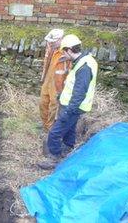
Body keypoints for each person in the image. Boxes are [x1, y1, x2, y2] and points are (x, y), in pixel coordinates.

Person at [38, 34, 98, 170]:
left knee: (54, 133)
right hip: (73, 105)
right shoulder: (84, 60)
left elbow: (79, 93)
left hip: (74, 106)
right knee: (70, 129)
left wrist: (68, 112)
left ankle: (54, 158)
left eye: (64, 51)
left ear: (70, 50)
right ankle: (68, 147)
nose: (63, 54)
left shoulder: (84, 68)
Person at [39, 29, 71, 133]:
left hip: (58, 84)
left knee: (54, 106)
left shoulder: (66, 53)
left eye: (53, 41)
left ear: (61, 39)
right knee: (43, 103)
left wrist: (63, 88)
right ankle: (45, 125)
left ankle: (50, 129)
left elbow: (68, 72)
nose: (50, 43)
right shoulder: (50, 48)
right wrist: (43, 79)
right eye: (50, 41)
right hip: (48, 80)